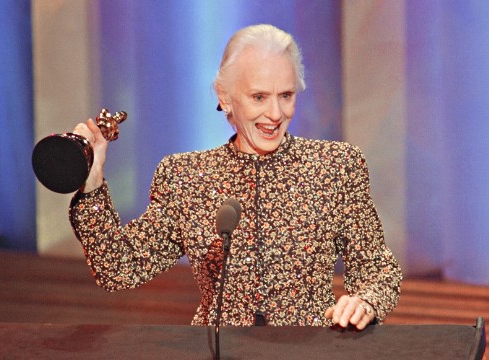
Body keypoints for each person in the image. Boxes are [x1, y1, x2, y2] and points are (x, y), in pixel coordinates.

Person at [69, 24, 402, 330]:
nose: (276, 113)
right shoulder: (187, 177)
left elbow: (378, 271)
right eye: (259, 97)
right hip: (217, 350)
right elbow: (118, 268)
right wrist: (93, 182)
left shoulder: (336, 167)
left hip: (309, 349)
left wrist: (364, 302)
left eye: (286, 95)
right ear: (224, 96)